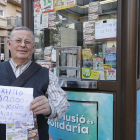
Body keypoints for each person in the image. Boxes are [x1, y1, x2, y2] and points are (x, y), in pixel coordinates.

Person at [0, 26, 70, 140]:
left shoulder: (46, 74)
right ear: (9, 44)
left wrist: (50, 108)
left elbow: (63, 103)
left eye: (27, 42)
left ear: (33, 47)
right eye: (18, 40)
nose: (23, 45)